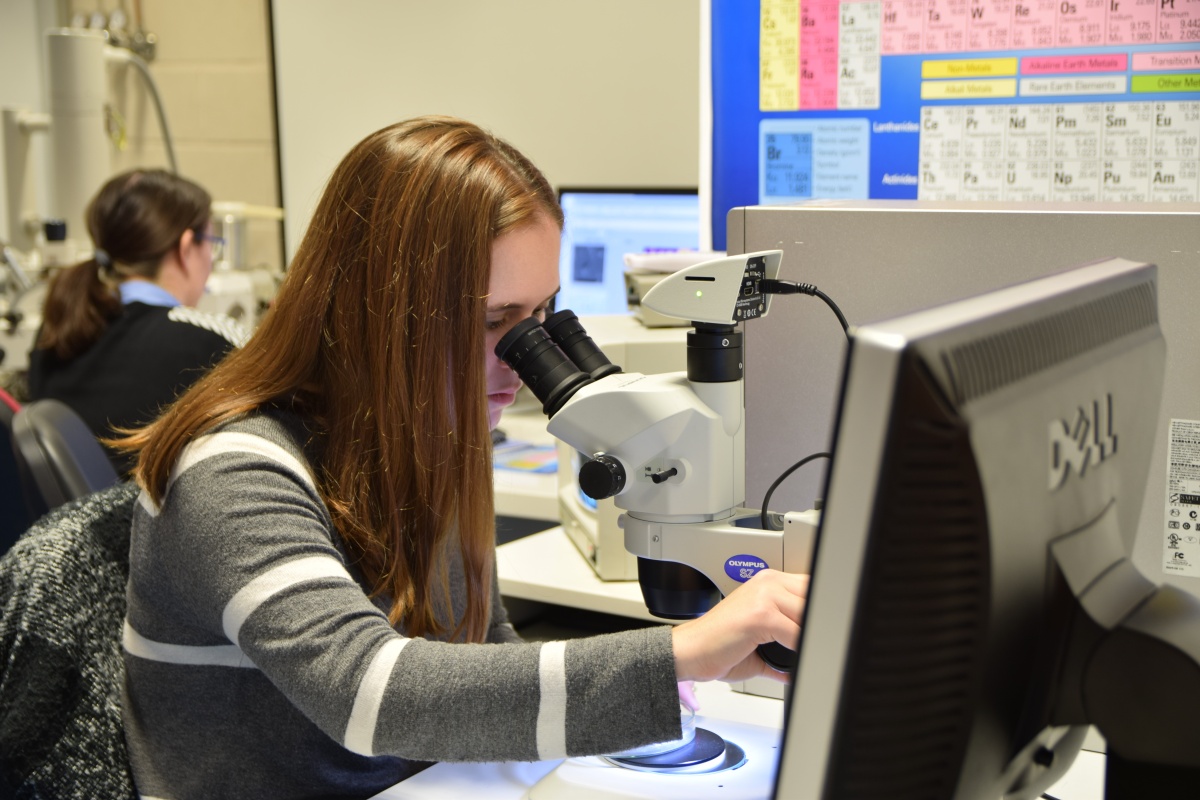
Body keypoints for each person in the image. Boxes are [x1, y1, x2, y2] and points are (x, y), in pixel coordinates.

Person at [113, 116, 807, 799]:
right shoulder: (228, 471)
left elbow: (484, 652)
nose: (523, 357)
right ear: (377, 312)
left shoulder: (428, 437)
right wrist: (679, 654)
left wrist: (692, 675)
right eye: (491, 321)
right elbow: (372, 694)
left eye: (540, 317)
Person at [26, 169, 247, 475]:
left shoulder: (55, 333)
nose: (210, 259)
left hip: (69, 521)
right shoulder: (210, 340)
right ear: (186, 248)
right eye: (210, 242)